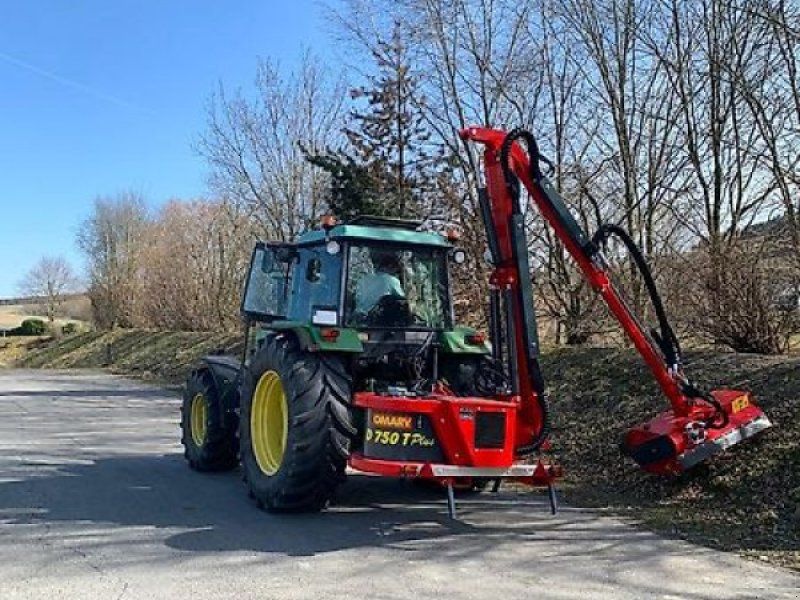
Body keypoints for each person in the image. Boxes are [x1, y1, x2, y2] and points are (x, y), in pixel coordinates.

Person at [353, 251, 405, 318]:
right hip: (375, 320)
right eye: (396, 270)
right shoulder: (391, 280)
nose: (395, 273)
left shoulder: (363, 279)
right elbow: (403, 299)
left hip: (357, 318)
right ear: (390, 266)